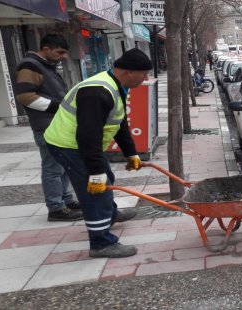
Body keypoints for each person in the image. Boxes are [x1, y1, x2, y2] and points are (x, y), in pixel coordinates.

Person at [44, 48, 150, 258]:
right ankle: (101, 243)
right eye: (144, 74)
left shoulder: (114, 85)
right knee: (95, 190)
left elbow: (119, 123)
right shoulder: (97, 91)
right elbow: (87, 137)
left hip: (82, 145)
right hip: (69, 145)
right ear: (129, 72)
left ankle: (109, 215)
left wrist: (131, 153)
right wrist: (95, 172)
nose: (146, 78)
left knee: (106, 179)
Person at [14, 34, 83, 222]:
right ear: (46, 49)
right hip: (46, 125)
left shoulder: (46, 66)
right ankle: (56, 208)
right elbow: (25, 96)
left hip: (56, 125)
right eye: (60, 52)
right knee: (53, 167)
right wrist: (60, 107)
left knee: (63, 165)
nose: (64, 57)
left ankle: (66, 200)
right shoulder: (30, 65)